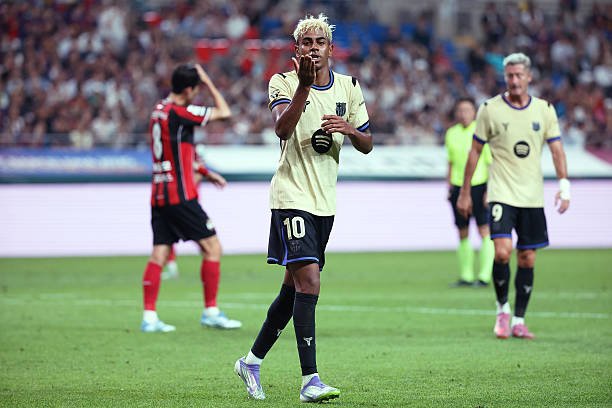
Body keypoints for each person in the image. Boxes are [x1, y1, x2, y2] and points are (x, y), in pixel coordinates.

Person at [234, 13, 372, 402]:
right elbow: (281, 128)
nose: (313, 47)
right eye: (306, 42)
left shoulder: (349, 86)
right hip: (290, 196)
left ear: (331, 49)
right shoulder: (282, 81)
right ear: (297, 49)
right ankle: (310, 380)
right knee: (309, 282)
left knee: (291, 292)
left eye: (320, 42)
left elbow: (367, 143)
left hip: (324, 202)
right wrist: (305, 88)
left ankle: (250, 362)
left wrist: (350, 130)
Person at [457, 53, 570, 340]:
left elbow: (557, 149)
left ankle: (519, 319)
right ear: (504, 77)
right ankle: (502, 310)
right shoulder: (490, 109)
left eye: (519, 75)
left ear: (529, 77)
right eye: (510, 75)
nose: (514, 80)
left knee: (528, 258)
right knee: (503, 251)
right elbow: (475, 151)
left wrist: (564, 185)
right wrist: (466, 191)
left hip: (532, 196)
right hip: (501, 192)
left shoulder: (544, 110)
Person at [140, 64, 242, 332]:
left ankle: (149, 317)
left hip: (159, 194)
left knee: (160, 253)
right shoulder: (179, 112)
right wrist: (208, 81)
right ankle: (211, 311)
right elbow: (224, 112)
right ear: (188, 90)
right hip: (181, 195)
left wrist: (205, 172)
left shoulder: (159, 111)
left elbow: (178, 150)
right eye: (196, 89)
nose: (197, 94)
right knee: (213, 248)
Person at [445, 97, 494, 287]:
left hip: (479, 185)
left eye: (467, 110)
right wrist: (449, 186)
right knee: (462, 231)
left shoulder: (481, 132)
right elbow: (450, 162)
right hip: (458, 186)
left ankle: (484, 276)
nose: (463, 114)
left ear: (474, 113)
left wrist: (489, 190)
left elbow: (490, 163)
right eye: (460, 110)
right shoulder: (451, 133)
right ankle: (466, 276)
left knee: (484, 229)